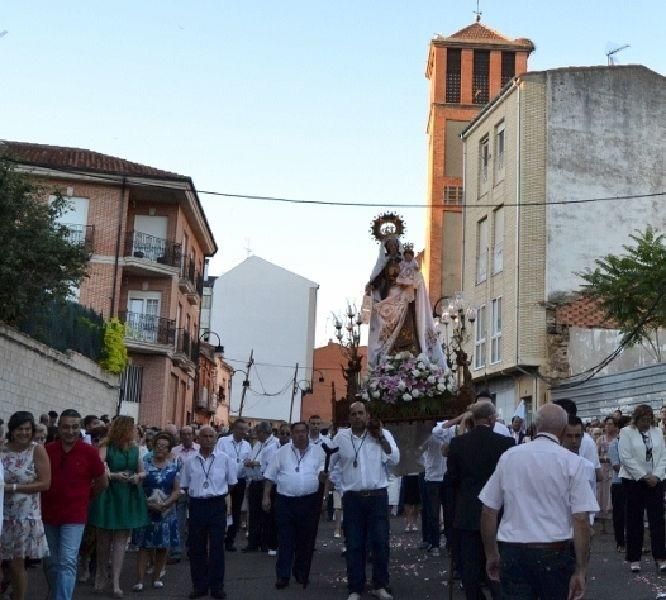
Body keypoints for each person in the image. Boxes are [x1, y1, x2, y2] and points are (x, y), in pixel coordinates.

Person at [479, 404, 598, 600]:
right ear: (563, 430)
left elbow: (488, 510)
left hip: (513, 551)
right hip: (555, 552)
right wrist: (581, 569)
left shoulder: (510, 457)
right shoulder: (571, 462)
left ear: (535, 426)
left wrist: (491, 554)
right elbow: (581, 519)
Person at [329, 401, 400, 600]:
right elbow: (330, 463)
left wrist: (381, 439)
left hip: (377, 496)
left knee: (380, 542)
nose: (358, 417)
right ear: (349, 417)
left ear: (368, 415)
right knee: (354, 544)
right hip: (352, 499)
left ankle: (380, 585)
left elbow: (395, 459)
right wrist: (340, 484)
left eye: (361, 413)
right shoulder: (341, 437)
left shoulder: (381, 434)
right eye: (354, 414)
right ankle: (355, 588)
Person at [447, 401, 514, 600]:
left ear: (472, 420)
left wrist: (452, 516)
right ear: (492, 419)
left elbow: (451, 481)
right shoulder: (505, 443)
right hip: (497, 513)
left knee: (470, 568)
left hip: (467, 512)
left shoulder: (458, 444)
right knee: (496, 565)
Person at [41, 409, 107, 600]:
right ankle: (55, 592)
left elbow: (102, 482)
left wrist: (86, 496)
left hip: (75, 515)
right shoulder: (47, 450)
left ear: (81, 429)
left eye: (75, 427)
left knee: (68, 561)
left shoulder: (89, 453)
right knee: (51, 562)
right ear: (59, 428)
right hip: (48, 514)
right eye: (66, 427)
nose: (70, 431)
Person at [88, 415, 149, 597]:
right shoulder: (106, 447)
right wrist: (115, 476)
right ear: (124, 429)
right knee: (103, 541)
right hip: (108, 495)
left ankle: (115, 581)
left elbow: (142, 470)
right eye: (132, 428)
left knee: (121, 542)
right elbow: (100, 469)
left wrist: (139, 477)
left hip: (127, 495)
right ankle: (101, 577)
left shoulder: (135, 449)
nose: (135, 432)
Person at [263, 422, 326, 589]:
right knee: (285, 539)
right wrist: (266, 497)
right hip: (285, 502)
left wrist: (325, 494)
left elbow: (323, 475)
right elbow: (270, 476)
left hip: (309, 501)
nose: (301, 435)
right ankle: (283, 575)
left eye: (303, 432)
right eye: (297, 432)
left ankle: (301, 573)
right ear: (291, 434)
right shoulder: (281, 453)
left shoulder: (318, 452)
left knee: (305, 540)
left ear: (307, 433)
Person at [181, 425, 237, 599]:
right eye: (204, 436)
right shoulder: (190, 461)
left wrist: (217, 492)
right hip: (197, 505)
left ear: (216, 438)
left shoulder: (225, 459)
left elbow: (232, 483)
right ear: (198, 438)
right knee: (197, 547)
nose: (207, 439)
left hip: (216, 504)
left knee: (216, 548)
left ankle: (217, 586)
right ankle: (199, 586)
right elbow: (185, 483)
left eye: (211, 436)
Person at [0, 411, 51, 600]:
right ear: (12, 431)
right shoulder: (2, 450)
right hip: (1, 514)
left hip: (24, 516)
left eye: (27, 429)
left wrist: (12, 487)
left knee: (16, 564)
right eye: (19, 429)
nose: (23, 433)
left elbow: (45, 483)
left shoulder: (36, 449)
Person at [618, 403, 666, 572]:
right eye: (643, 420)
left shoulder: (657, 432)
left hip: (655, 479)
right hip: (633, 480)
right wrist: (643, 476)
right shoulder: (626, 433)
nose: (646, 424)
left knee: (657, 519)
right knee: (634, 519)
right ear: (636, 419)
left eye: (649, 420)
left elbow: (663, 456)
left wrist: (656, 476)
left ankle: (660, 557)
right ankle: (634, 558)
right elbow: (625, 457)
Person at [131, 431, 181, 591]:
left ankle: (157, 577)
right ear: (153, 446)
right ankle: (139, 580)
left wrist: (167, 503)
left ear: (169, 450)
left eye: (165, 447)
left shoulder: (174, 466)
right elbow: (137, 487)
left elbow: (176, 489)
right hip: (146, 509)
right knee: (144, 546)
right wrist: (147, 503)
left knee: (162, 546)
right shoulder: (144, 464)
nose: (161, 449)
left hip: (166, 511)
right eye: (158, 445)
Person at [216, 419, 251, 552]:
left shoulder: (247, 445)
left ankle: (230, 540)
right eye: (241, 429)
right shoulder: (223, 442)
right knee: (222, 509)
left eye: (245, 429)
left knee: (236, 511)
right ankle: (218, 538)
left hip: (240, 480)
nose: (243, 432)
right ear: (234, 429)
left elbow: (248, 463)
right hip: (224, 481)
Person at [244, 422, 279, 553]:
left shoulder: (274, 444)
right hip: (254, 480)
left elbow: (269, 464)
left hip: (266, 482)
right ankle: (253, 543)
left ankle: (266, 542)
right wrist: (249, 462)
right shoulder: (258, 444)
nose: (255, 435)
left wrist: (255, 463)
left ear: (264, 433)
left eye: (257, 432)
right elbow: (252, 458)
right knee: (253, 514)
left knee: (266, 514)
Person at [553, 399, 602, 482]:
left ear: (566, 415)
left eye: (556, 415)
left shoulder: (586, 442)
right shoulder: (556, 437)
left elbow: (594, 474)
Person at [562, 416, 597, 526]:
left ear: (582, 436)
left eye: (577, 436)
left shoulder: (588, 467)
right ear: (562, 436)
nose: (574, 441)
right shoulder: (553, 464)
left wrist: (589, 524)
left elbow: (590, 498)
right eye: (569, 436)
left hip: (580, 525)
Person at [171, 425, 199, 562]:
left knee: (194, 522)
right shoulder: (174, 451)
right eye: (184, 434)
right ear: (180, 436)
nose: (187, 436)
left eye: (189, 434)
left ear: (193, 435)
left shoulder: (200, 450)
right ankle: (176, 551)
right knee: (178, 522)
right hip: (180, 489)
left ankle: (193, 550)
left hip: (195, 490)